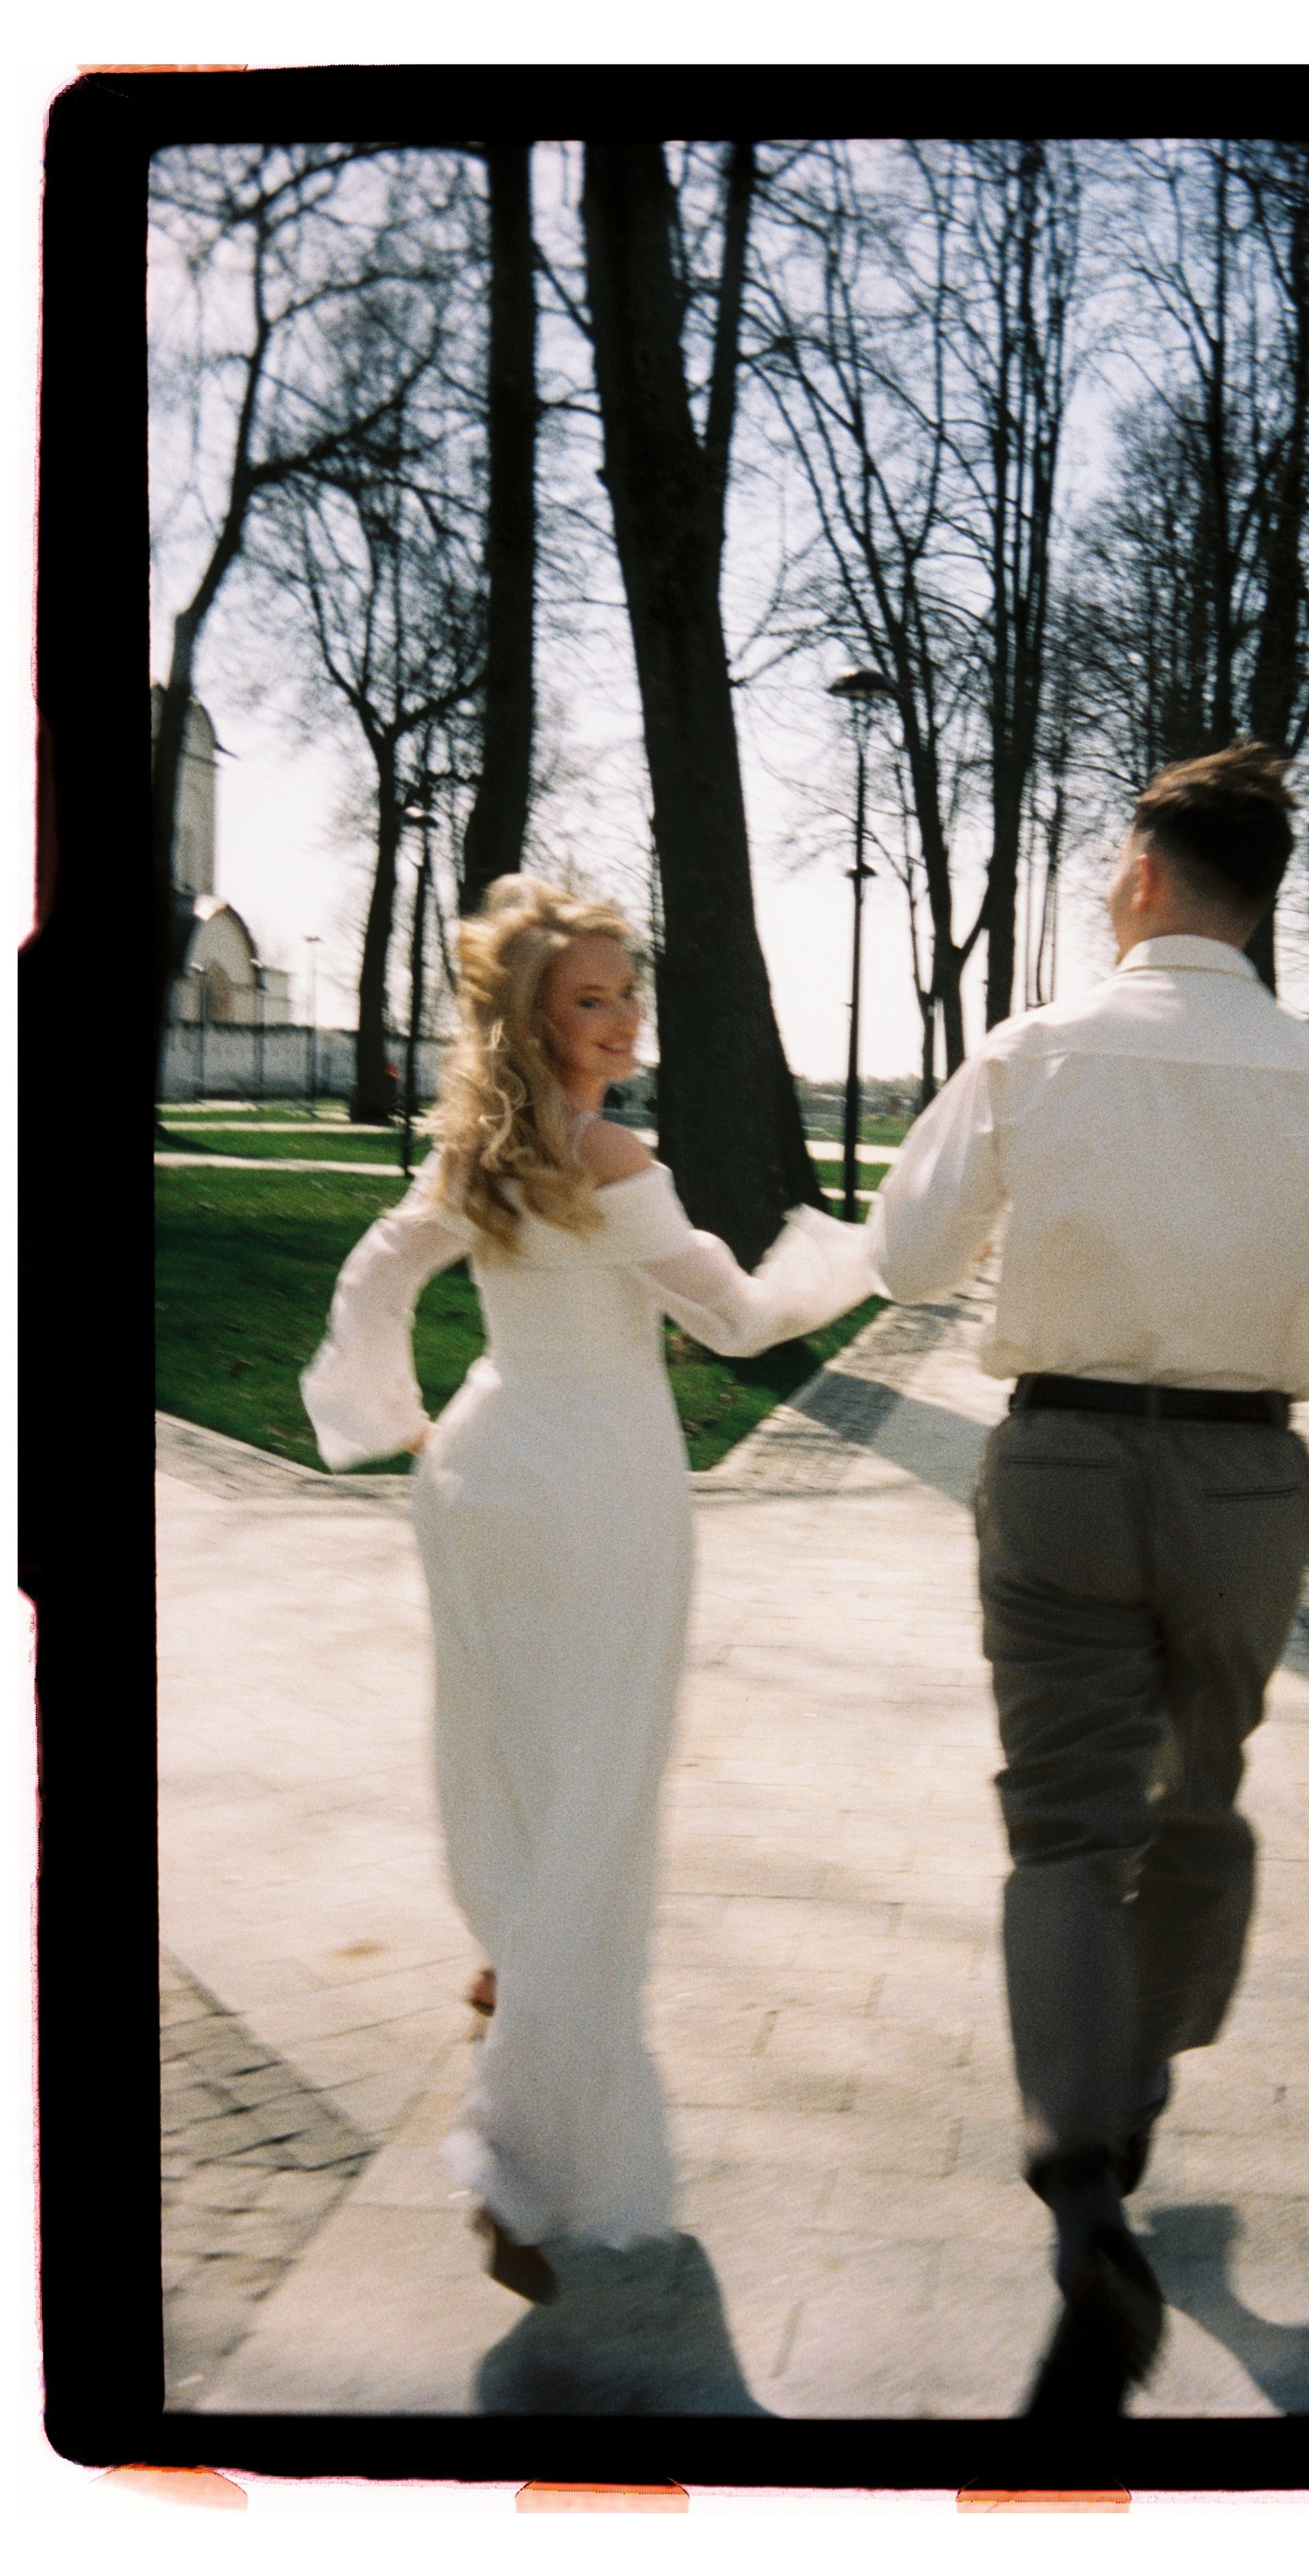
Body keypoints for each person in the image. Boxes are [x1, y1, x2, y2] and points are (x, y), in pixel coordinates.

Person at [866, 741, 1309, 2415]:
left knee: (1061, 1823)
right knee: (1198, 1791)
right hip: (1237, 1478)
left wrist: (1044, 1217)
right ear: (1254, 889)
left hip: (1060, 1465)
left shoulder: (1032, 1049)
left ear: (1142, 875)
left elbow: (906, 1259)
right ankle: (1132, 2076)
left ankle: (1083, 2186)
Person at [301, 877, 874, 2303]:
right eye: (594, 998)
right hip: (600, 1496)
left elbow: (374, 1284)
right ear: (534, 1019)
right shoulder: (611, 1158)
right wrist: (858, 1260)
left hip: (483, 1478)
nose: (626, 1018)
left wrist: (398, 1423)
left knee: (514, 1768)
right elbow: (737, 1320)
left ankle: (511, 1973)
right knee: (599, 1800)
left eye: (630, 991)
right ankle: (523, 2147)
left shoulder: (478, 1157)